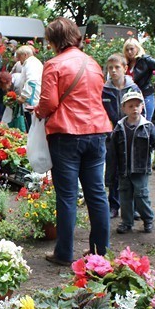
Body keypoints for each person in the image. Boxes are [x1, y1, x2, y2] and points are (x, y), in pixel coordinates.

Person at [35, 17, 112, 264]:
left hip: (67, 134)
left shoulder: (54, 64)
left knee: (67, 196)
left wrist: (37, 111)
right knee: (97, 193)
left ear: (54, 40)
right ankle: (100, 252)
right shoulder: (93, 63)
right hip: (97, 132)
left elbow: (49, 103)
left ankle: (64, 253)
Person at [112, 90, 155, 234]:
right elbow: (112, 150)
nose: (134, 109)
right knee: (125, 196)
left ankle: (148, 219)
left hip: (140, 169)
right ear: (124, 109)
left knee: (141, 196)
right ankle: (126, 222)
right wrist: (112, 171)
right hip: (124, 169)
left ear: (142, 107)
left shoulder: (148, 126)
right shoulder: (119, 128)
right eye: (130, 106)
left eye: (137, 105)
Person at [102, 53, 141, 219]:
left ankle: (135, 206)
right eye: (110, 68)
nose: (113, 71)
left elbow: (141, 110)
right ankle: (114, 205)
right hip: (112, 135)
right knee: (113, 170)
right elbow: (101, 111)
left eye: (117, 67)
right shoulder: (104, 90)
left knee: (133, 170)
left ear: (125, 68)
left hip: (130, 134)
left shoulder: (134, 88)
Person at [123, 37, 155, 121]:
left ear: (137, 48)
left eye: (132, 49)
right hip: (130, 98)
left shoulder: (145, 60)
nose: (129, 52)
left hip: (145, 96)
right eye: (127, 50)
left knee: (145, 124)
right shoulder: (126, 63)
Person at [14, 45, 43, 129]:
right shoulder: (32, 63)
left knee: (31, 126)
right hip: (31, 100)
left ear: (25, 55)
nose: (19, 60)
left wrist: (23, 96)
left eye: (19, 57)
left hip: (31, 102)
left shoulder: (31, 64)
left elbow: (32, 81)